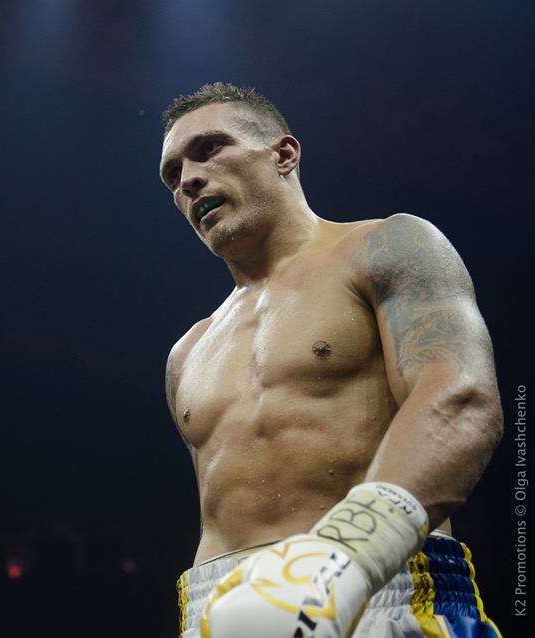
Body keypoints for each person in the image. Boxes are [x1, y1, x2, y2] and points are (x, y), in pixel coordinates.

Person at [158, 83, 503, 638]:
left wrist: (347, 556)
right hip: (220, 609)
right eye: (173, 175)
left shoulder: (385, 248)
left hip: (381, 579)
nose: (189, 180)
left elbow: (460, 399)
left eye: (209, 149)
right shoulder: (188, 352)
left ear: (284, 155)